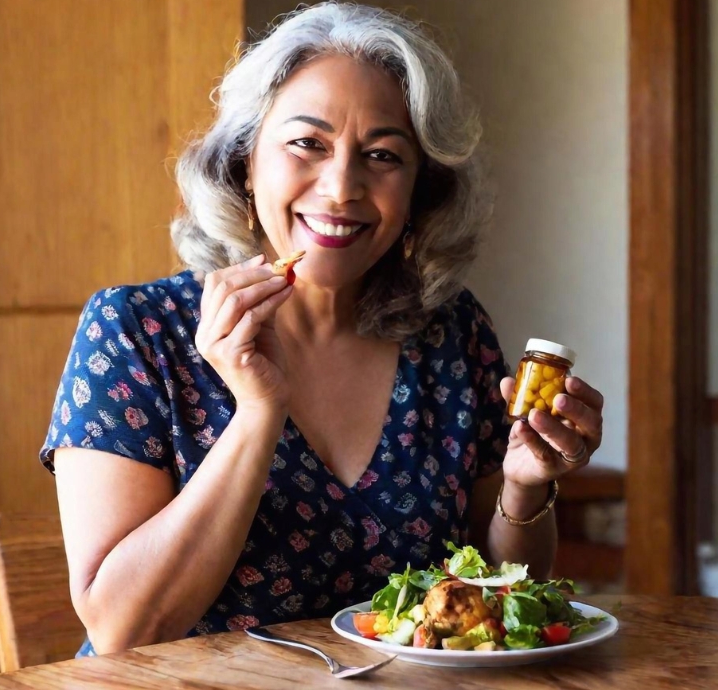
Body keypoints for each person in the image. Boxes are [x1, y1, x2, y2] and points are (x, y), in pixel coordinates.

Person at [40, 2, 604, 657]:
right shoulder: (135, 333)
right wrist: (257, 412)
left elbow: (501, 605)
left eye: (383, 155)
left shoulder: (451, 336)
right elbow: (123, 630)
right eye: (307, 143)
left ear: (419, 192)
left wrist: (526, 486)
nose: (341, 187)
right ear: (246, 164)